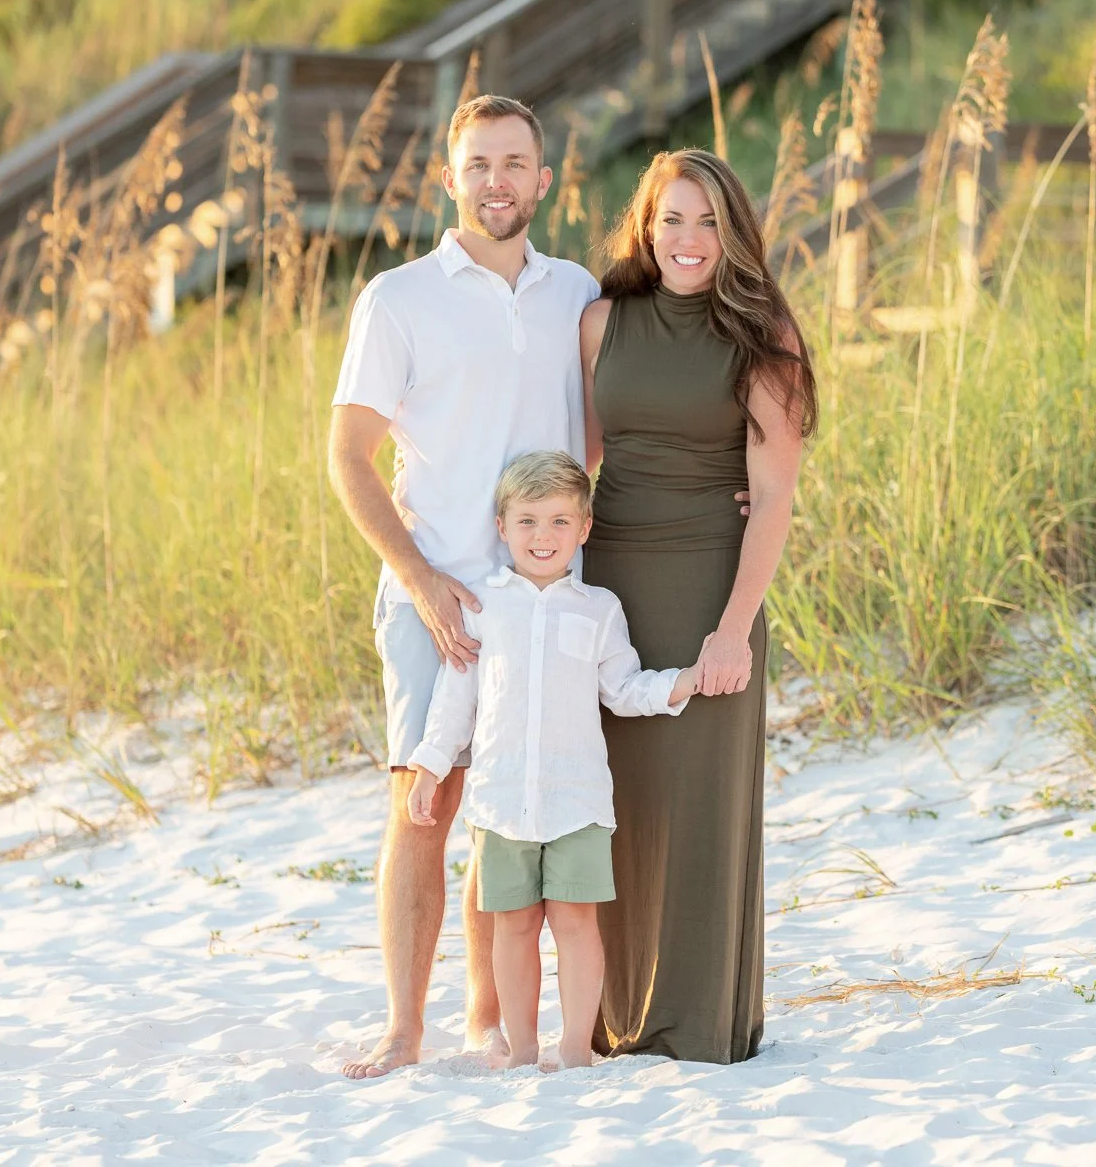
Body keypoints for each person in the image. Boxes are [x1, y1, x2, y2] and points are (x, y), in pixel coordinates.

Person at [327, 95, 596, 1079]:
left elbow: (590, 432)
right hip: (434, 597)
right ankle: (404, 1026)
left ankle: (490, 1013)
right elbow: (347, 454)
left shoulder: (576, 292)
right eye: (478, 163)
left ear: (543, 178)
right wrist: (420, 576)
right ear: (450, 180)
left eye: (515, 162)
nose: (497, 180)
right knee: (424, 802)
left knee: (509, 811)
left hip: (540, 605)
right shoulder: (397, 299)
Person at [581, 148, 818, 1064]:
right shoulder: (602, 324)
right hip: (607, 588)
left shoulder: (766, 339)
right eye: (671, 219)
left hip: (711, 584)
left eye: (708, 222)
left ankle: (695, 1023)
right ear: (645, 226)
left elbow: (776, 495)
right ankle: (613, 1020)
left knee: (699, 804)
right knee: (618, 803)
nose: (688, 240)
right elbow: (584, 458)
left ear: (735, 234)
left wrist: (731, 630)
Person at [406, 451, 709, 1070]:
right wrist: (431, 765)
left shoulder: (599, 609)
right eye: (527, 522)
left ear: (585, 528)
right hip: (500, 796)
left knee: (576, 924)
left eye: (558, 522)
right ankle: (521, 1049)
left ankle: (573, 1048)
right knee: (512, 927)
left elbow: (623, 690)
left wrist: (685, 682)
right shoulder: (482, 608)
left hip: (577, 799)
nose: (542, 537)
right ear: (502, 527)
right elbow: (455, 697)